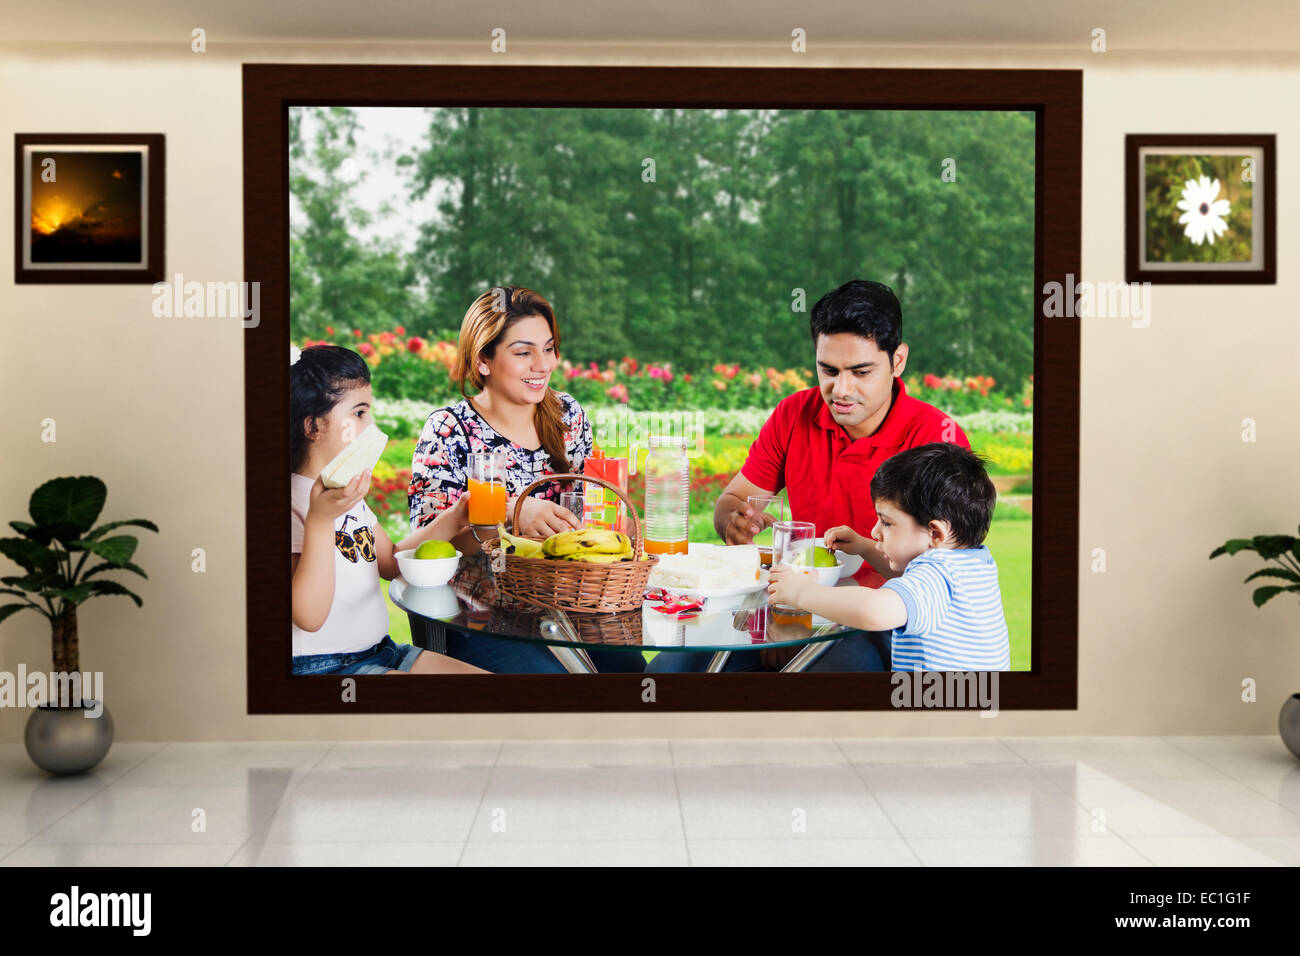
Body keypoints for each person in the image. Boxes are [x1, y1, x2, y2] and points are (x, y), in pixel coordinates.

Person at [647, 279, 970, 673]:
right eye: (828, 370)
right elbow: (734, 502)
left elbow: (941, 568)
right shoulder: (794, 414)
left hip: (879, 619)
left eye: (861, 371)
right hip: (785, 604)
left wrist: (803, 620)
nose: (841, 390)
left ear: (897, 360)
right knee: (671, 671)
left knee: (825, 684)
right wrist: (735, 522)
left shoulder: (934, 439)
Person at [408, 286, 645, 674]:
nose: (543, 364)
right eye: (523, 352)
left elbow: (589, 515)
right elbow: (431, 549)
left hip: (573, 603)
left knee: (631, 674)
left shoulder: (569, 415)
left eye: (548, 348)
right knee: (553, 686)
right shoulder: (450, 429)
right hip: (483, 615)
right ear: (484, 360)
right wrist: (510, 514)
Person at [290, 344, 487, 676]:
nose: (371, 425)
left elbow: (391, 561)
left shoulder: (345, 494)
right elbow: (308, 616)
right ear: (313, 427)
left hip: (384, 652)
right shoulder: (296, 502)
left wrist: (453, 519)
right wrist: (320, 520)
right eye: (359, 413)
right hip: (323, 667)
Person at [768, 442, 1010, 671]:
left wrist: (801, 592)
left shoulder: (939, 574)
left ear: (935, 532)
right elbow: (909, 579)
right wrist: (864, 547)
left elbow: (874, 611)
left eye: (886, 522)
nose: (875, 531)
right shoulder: (971, 562)